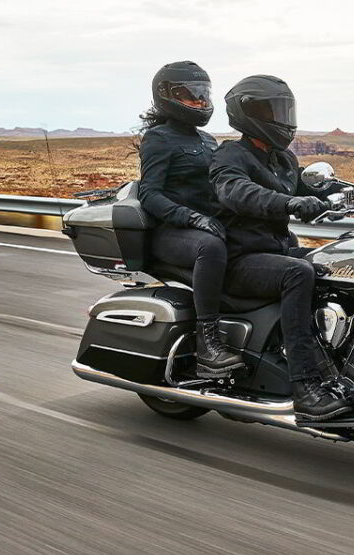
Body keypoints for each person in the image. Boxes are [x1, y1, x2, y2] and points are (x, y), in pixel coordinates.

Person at [209, 75, 352, 421]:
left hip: (273, 253)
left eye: (286, 111)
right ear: (249, 113)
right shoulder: (230, 155)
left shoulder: (283, 160)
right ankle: (305, 386)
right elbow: (235, 192)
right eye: (274, 111)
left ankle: (337, 367)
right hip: (239, 259)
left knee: (337, 262)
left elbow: (322, 187)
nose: (283, 119)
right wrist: (289, 204)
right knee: (298, 272)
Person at [137, 61, 243, 377]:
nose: (199, 102)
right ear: (166, 95)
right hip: (172, 232)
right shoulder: (159, 138)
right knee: (210, 248)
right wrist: (192, 218)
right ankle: (207, 343)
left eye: (203, 94)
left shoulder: (208, 141)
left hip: (204, 225)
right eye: (190, 95)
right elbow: (150, 194)